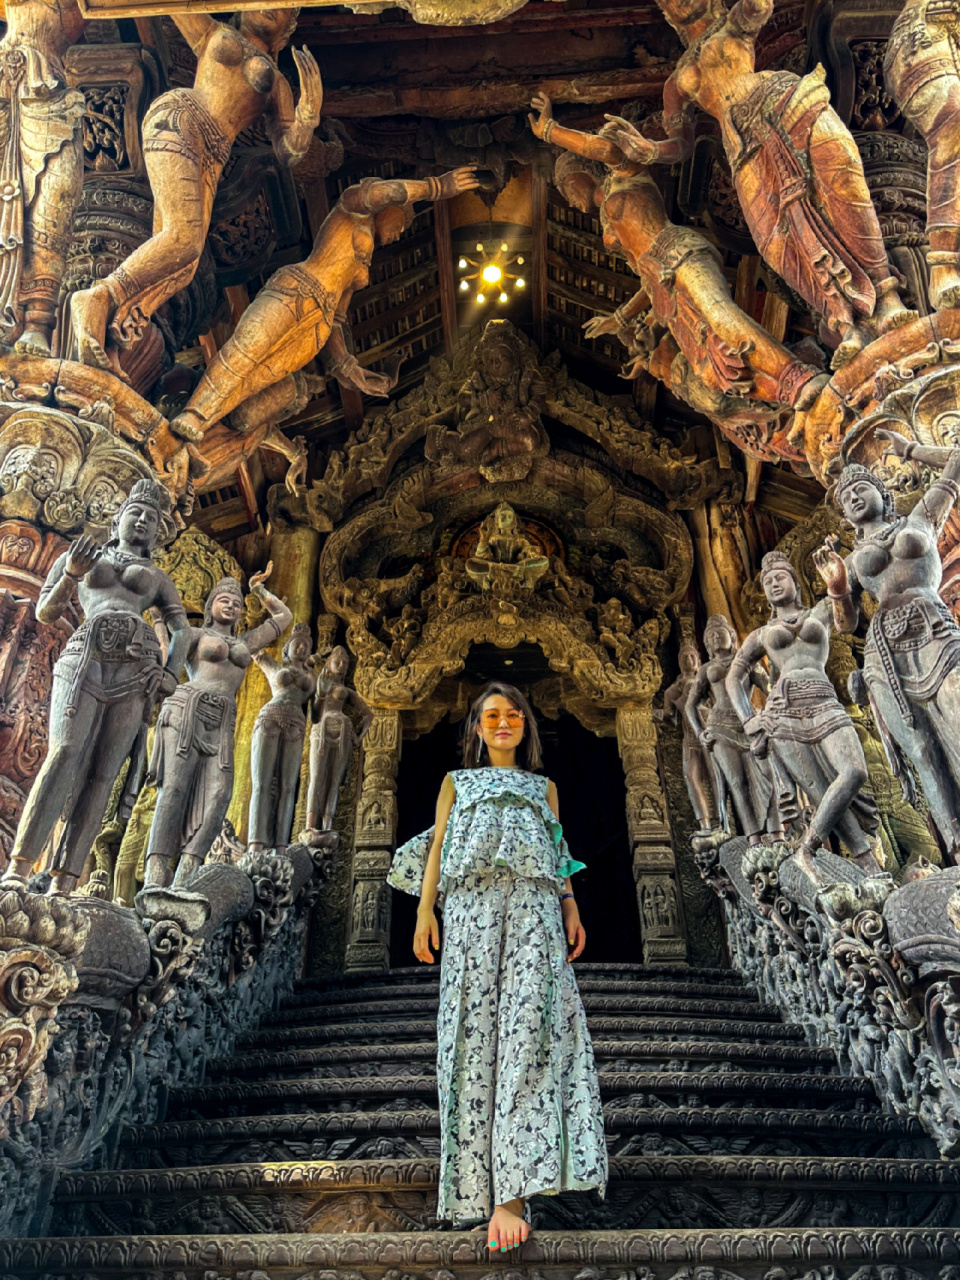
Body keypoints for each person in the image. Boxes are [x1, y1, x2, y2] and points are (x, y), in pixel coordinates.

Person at [387, 682, 607, 1251]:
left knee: (529, 1030)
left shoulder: (545, 789)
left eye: (513, 714)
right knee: (473, 1034)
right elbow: (437, 848)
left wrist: (571, 906)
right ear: (477, 729)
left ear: (526, 727)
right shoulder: (455, 783)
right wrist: (423, 914)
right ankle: (475, 1189)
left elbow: (557, 854)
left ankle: (512, 1196)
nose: (503, 722)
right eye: (491, 716)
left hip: (535, 909)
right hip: (470, 912)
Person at [4, 478, 189, 893]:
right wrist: (72, 575)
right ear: (116, 521)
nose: (143, 521)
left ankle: (66, 880)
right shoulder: (84, 555)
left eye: (151, 519)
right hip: (85, 655)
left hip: (137, 667)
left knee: (103, 774)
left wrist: (172, 672)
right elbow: (47, 611)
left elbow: (182, 630)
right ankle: (19, 866)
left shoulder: (156, 577)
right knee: (65, 752)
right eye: (135, 513)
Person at [814, 431, 960, 859]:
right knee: (921, 748)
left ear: (881, 491)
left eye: (861, 488)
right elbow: (845, 624)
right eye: (846, 500)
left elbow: (958, 460)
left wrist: (910, 451)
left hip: (934, 628)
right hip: (885, 656)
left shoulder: (919, 519)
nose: (854, 499)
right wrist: (840, 589)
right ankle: (956, 845)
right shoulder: (856, 559)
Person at [727, 551, 882, 874]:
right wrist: (749, 719)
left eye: (779, 577)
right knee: (820, 790)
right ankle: (870, 867)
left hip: (824, 699)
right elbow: (734, 676)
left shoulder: (820, 611)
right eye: (767, 582)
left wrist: (838, 587)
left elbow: (847, 623)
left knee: (854, 772)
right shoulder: (761, 634)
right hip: (783, 711)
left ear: (796, 583)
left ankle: (808, 847)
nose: (773, 584)